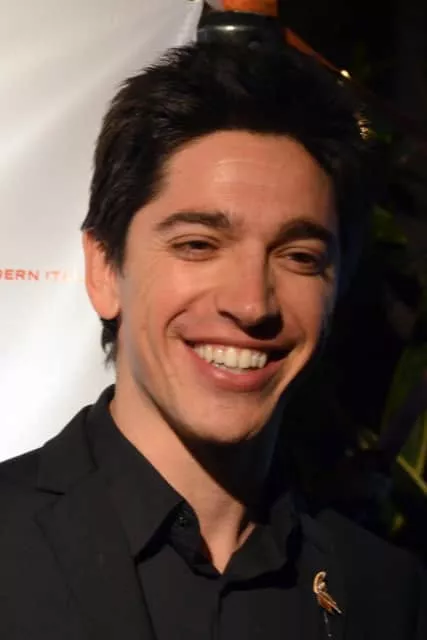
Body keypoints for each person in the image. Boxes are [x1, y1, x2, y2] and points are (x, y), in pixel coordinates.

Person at [0, 40, 425, 640]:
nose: (252, 304)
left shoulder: (385, 595)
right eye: (198, 244)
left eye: (299, 257)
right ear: (105, 271)